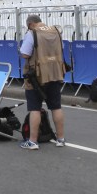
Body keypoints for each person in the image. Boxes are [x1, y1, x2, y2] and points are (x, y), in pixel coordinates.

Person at [19, 14, 66, 149]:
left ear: (30, 24)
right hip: (56, 73)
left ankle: (33, 141)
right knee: (56, 107)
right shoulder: (56, 31)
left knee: (35, 108)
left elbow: (25, 54)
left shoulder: (32, 33)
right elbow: (61, 48)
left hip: (37, 76)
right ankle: (60, 138)